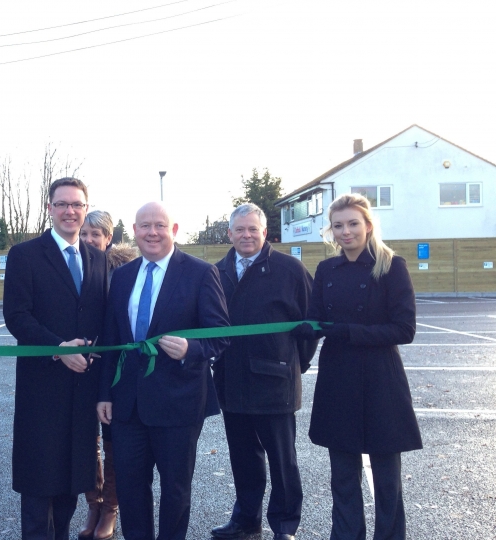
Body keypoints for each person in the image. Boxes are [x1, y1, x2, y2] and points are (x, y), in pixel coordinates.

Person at [97, 202, 230, 540]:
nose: (152, 232)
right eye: (144, 226)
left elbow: (220, 334)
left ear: (173, 230)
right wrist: (104, 395)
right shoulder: (123, 276)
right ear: (135, 231)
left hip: (179, 403)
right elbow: (112, 339)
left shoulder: (201, 273)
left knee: (175, 490)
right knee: (130, 489)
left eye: (159, 225)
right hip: (128, 405)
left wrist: (192, 349)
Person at [295, 193, 422, 540]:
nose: (346, 231)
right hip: (339, 377)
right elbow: (316, 317)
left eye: (353, 223)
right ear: (331, 231)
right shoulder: (326, 269)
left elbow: (404, 329)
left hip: (381, 378)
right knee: (343, 474)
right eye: (338, 225)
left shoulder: (391, 265)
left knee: (386, 476)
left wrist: (349, 332)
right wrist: (306, 329)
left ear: (368, 225)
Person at [3, 178, 109, 540]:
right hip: (42, 388)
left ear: (85, 208)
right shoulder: (25, 255)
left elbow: (101, 317)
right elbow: (17, 316)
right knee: (38, 488)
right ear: (49, 208)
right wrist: (58, 348)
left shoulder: (98, 258)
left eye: (77, 205)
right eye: (62, 204)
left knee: (69, 487)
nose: (70, 211)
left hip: (83, 388)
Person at [210, 203, 317, 540]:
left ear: (264, 232)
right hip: (231, 380)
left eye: (252, 229)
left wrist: (294, 363)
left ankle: (285, 526)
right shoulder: (217, 271)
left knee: (283, 461)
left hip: (276, 382)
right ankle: (245, 521)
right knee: (243, 458)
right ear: (229, 233)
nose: (246, 235)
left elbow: (309, 326)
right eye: (239, 229)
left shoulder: (289, 269)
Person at [78, 210, 137, 540]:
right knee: (87, 441)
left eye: (95, 234)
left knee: (114, 442)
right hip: (81, 368)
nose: (89, 240)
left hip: (114, 368)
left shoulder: (123, 271)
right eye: (84, 234)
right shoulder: (73, 267)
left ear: (108, 238)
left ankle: (111, 508)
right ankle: (93, 503)